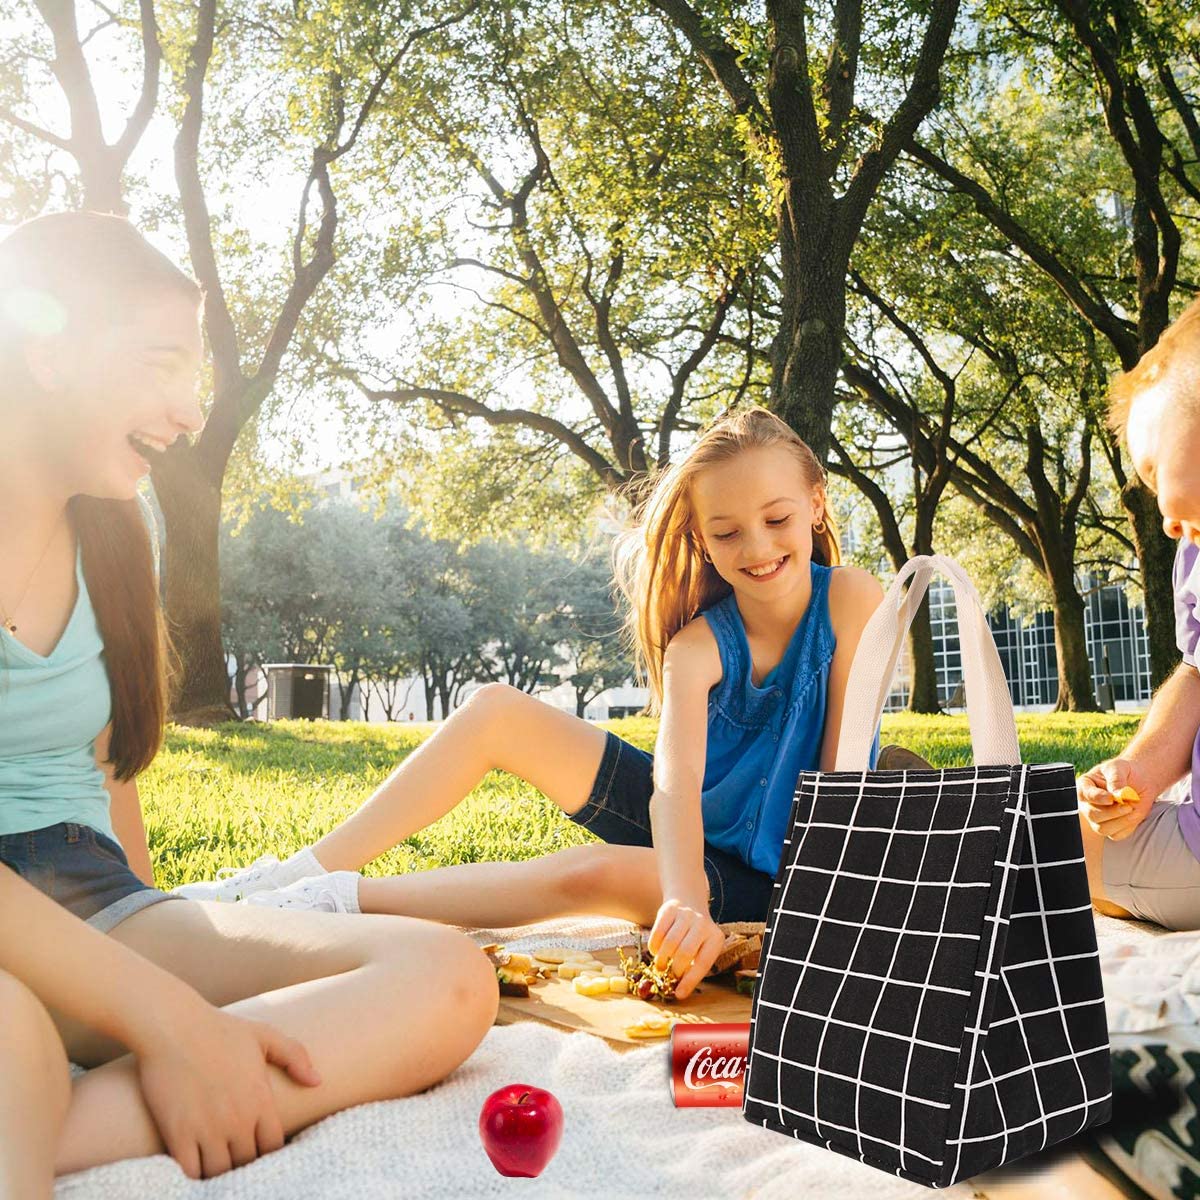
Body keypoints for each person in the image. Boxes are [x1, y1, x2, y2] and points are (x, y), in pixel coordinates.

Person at [0, 211, 498, 1197]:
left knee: (443, 979)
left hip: (94, 898)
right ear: (45, 351)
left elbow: (107, 778)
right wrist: (170, 1021)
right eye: (159, 364)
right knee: (13, 1031)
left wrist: (159, 985)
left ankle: (66, 1116)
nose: (189, 413)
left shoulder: (116, 531)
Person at [179, 406, 887, 1000]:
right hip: (691, 839)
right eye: (728, 532)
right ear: (701, 539)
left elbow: (844, 780)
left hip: (794, 870)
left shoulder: (854, 600)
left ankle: (336, 906)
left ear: (816, 504)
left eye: (777, 519)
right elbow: (670, 792)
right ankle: (300, 873)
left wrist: (707, 907)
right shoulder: (698, 646)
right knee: (495, 710)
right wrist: (683, 901)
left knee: (593, 874)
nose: (757, 547)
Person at [1077, 295, 1200, 929]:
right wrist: (1143, 771)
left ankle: (956, 851)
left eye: (1156, 470)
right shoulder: (1195, 553)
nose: (1164, 514)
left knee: (1063, 851)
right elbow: (1196, 676)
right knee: (1088, 823)